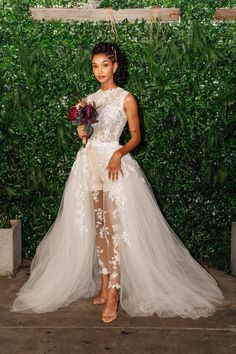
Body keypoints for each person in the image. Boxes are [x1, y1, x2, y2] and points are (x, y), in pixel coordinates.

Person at [10, 42, 224, 323]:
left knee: (114, 227)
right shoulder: (89, 99)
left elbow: (136, 137)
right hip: (88, 163)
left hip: (113, 164)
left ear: (115, 66)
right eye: (95, 66)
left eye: (105, 65)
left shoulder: (126, 98)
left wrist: (119, 153)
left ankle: (114, 290)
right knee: (98, 225)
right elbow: (89, 133)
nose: (99, 71)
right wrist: (82, 131)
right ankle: (103, 280)